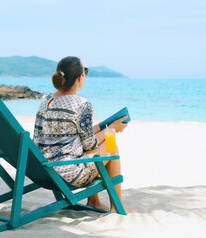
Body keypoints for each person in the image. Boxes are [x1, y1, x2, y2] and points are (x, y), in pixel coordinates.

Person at [33, 56, 135, 213]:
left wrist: (101, 127)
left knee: (98, 141)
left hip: (43, 169)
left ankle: (94, 202)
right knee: (111, 145)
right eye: (85, 71)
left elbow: (65, 135)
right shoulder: (82, 104)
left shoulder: (45, 100)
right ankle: (116, 206)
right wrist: (112, 129)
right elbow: (89, 144)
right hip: (67, 173)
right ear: (80, 77)